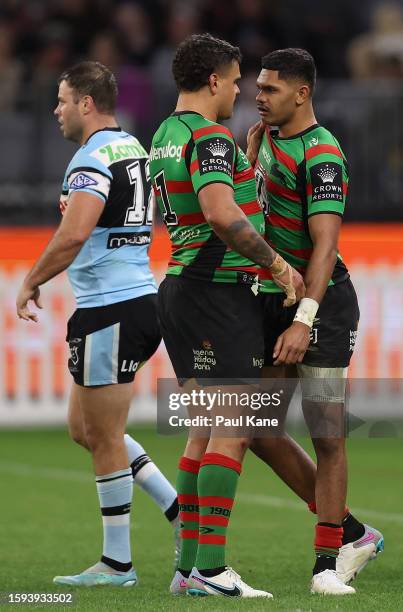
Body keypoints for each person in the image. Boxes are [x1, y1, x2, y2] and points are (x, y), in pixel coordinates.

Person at [149, 33, 305, 599]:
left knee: (203, 430)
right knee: (234, 429)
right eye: (236, 80)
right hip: (215, 291)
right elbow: (220, 213)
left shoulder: (168, 132)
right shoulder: (209, 135)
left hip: (182, 289)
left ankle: (189, 568)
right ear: (213, 80)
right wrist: (279, 265)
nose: (240, 90)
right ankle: (211, 570)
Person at [16, 61, 180, 587]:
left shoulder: (89, 159)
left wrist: (32, 279)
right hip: (129, 298)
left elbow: (72, 235)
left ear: (87, 103)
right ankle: (180, 512)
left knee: (104, 436)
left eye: (63, 100)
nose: (56, 110)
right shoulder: (131, 146)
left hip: (111, 306)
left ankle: (118, 564)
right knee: (85, 430)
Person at [246, 48, 384, 595]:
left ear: (302, 94)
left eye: (270, 89)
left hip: (321, 303)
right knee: (256, 429)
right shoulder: (263, 140)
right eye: (256, 86)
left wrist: (305, 320)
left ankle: (326, 564)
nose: (258, 96)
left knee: (327, 433)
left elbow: (325, 248)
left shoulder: (322, 154)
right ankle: (351, 530)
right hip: (276, 297)